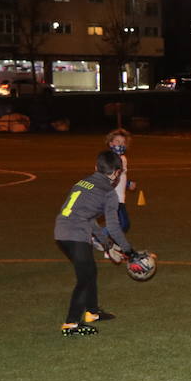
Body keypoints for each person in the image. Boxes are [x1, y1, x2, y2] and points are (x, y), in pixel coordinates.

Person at [55, 149, 142, 336]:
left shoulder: (82, 182)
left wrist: (107, 245)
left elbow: (90, 219)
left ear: (96, 167)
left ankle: (92, 312)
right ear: (117, 173)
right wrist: (129, 251)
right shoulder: (109, 193)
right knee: (85, 278)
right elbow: (113, 226)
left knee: (90, 271)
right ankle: (71, 325)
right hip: (75, 235)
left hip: (61, 232)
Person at [93, 128, 136, 263]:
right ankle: (99, 238)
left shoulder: (123, 158)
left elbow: (121, 176)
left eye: (123, 142)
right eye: (117, 141)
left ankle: (108, 249)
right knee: (122, 224)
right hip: (112, 198)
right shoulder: (108, 159)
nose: (120, 144)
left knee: (121, 225)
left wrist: (128, 184)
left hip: (119, 197)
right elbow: (106, 176)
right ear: (110, 143)